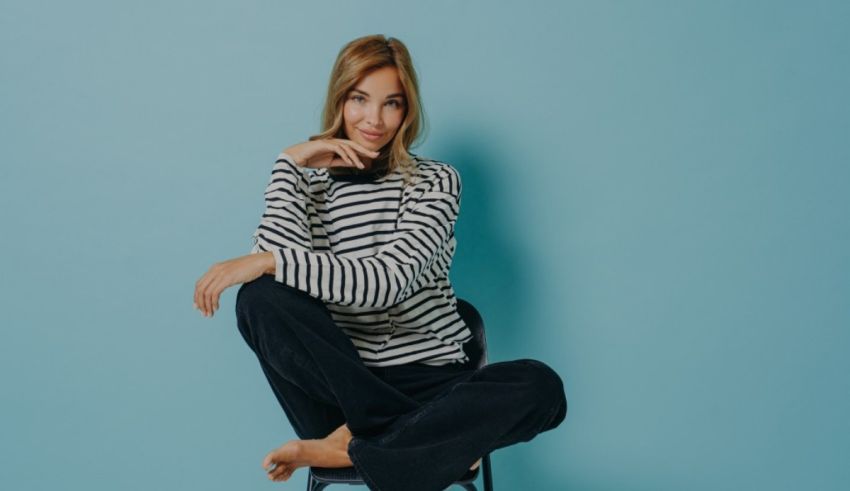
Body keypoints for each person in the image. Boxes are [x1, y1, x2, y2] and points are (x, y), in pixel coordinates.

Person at [193, 34, 567, 490]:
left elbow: (385, 282)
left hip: (431, 382)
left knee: (542, 386)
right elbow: (275, 279)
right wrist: (288, 165)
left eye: (391, 103)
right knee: (259, 299)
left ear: (408, 111)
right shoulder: (308, 190)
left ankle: (361, 446)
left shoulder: (435, 182)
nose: (374, 119)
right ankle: (420, 445)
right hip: (342, 390)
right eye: (359, 99)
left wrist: (268, 260)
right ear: (340, 99)